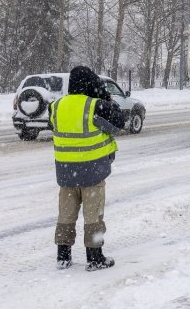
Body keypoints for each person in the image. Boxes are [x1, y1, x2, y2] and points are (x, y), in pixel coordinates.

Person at [49, 66, 125, 271]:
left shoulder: (55, 106)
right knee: (93, 217)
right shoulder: (95, 106)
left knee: (66, 215)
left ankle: (63, 256)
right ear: (91, 84)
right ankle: (94, 257)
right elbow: (118, 124)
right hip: (92, 173)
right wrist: (106, 99)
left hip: (65, 173)